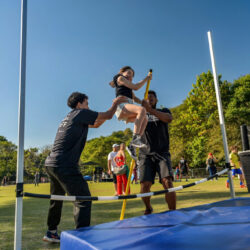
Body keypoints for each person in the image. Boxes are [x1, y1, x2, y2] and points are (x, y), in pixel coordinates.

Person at [43, 92, 126, 243]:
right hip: (65, 164)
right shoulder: (81, 113)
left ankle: (51, 231)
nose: (88, 107)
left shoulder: (70, 117)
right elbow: (107, 115)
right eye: (87, 103)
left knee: (57, 198)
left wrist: (110, 113)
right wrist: (116, 103)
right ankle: (81, 238)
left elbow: (97, 123)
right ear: (79, 104)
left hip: (51, 163)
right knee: (84, 199)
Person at [139, 90, 176, 215]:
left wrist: (150, 110)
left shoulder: (164, 110)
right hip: (145, 154)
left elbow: (169, 119)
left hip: (162, 153)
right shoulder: (140, 112)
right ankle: (148, 207)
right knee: (145, 185)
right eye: (147, 98)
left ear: (156, 100)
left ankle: (172, 212)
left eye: (152, 97)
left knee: (167, 182)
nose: (149, 99)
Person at [110, 66, 152, 153]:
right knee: (141, 110)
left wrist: (144, 103)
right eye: (129, 73)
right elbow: (136, 87)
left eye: (132, 75)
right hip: (122, 106)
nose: (130, 76)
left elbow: (135, 98)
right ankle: (135, 138)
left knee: (145, 118)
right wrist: (146, 78)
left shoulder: (128, 88)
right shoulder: (120, 78)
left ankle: (132, 145)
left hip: (127, 107)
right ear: (122, 73)